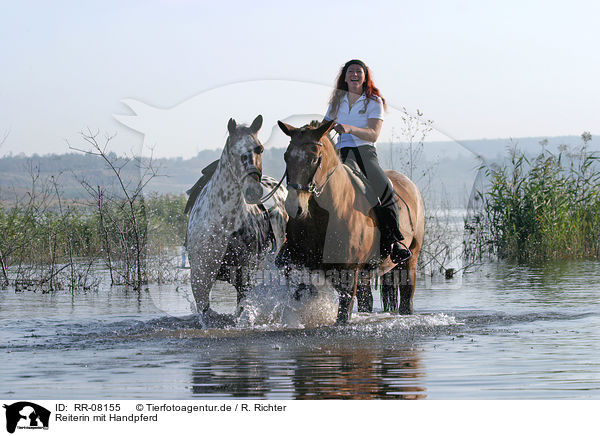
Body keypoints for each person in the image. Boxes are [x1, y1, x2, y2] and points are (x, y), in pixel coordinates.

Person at [324, 59, 410, 263]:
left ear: (364, 77)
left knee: (385, 190)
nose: (354, 74)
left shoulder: (373, 101)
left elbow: (373, 134)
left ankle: (394, 241)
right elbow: (324, 127)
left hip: (364, 153)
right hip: (340, 154)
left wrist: (349, 128)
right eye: (350, 71)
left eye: (358, 72)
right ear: (344, 77)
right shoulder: (336, 101)